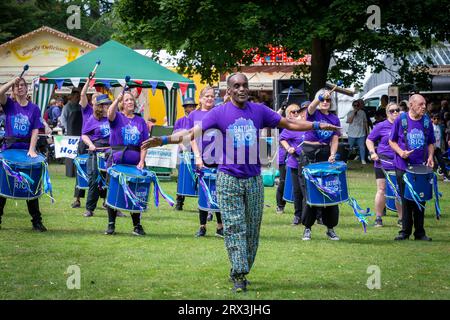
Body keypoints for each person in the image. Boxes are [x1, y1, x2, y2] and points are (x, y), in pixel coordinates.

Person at [141, 73, 339, 292]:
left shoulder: (260, 111)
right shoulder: (218, 113)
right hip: (228, 178)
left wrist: (318, 125)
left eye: (245, 85)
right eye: (237, 86)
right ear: (229, 90)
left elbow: (290, 123)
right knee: (234, 226)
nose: (242, 89)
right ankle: (238, 273)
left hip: (253, 179)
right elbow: (191, 133)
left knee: (252, 230)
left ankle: (241, 267)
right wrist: (164, 139)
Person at [0, 77, 46, 231]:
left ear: (27, 89)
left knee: (29, 186)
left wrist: (32, 149)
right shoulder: (9, 105)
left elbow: (35, 130)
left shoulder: (34, 109)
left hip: (26, 151)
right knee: (2, 186)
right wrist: (11, 81)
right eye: (17, 86)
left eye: (22, 85)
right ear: (13, 90)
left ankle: (37, 222)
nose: (19, 88)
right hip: (9, 150)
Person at [389, 94, 435, 241]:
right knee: (406, 199)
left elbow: (431, 142)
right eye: (420, 104)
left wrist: (430, 156)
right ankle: (405, 232)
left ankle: (420, 233)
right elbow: (392, 141)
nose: (424, 107)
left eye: (424, 104)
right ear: (411, 105)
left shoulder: (427, 121)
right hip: (403, 166)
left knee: (420, 200)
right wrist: (401, 152)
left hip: (421, 168)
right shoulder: (400, 120)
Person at [298, 88, 342, 242]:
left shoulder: (334, 119)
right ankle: (307, 228)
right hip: (309, 154)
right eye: (323, 100)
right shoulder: (313, 113)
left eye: (328, 100)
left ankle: (330, 228)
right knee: (309, 193)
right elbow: (311, 107)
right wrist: (319, 96)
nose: (325, 102)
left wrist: (332, 154)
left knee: (330, 190)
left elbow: (335, 139)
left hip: (325, 155)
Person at [105, 90, 149, 236]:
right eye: (126, 100)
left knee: (135, 194)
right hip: (117, 161)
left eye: (131, 100)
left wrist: (142, 161)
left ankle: (137, 226)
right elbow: (109, 114)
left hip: (135, 164)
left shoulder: (140, 121)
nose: (130, 102)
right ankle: (111, 225)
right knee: (114, 191)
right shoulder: (117, 117)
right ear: (122, 104)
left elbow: (144, 144)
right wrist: (116, 100)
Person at [188, 86, 224, 237]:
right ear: (200, 99)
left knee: (220, 192)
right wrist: (197, 156)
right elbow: (191, 137)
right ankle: (202, 226)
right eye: (207, 96)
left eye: (212, 96)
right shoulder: (193, 115)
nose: (210, 98)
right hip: (201, 159)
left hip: (220, 158)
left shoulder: (220, 113)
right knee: (204, 192)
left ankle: (220, 227)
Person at [366, 102, 403, 227]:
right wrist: (372, 153)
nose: (395, 112)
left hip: (399, 162)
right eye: (392, 110)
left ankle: (402, 219)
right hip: (382, 161)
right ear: (387, 113)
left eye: (397, 110)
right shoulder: (381, 126)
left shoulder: (403, 126)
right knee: (381, 189)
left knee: (399, 190)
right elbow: (369, 139)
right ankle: (378, 218)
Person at [81, 94, 111, 217]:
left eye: (109, 104)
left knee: (111, 181)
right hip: (95, 152)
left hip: (111, 152)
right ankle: (89, 209)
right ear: (99, 106)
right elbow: (84, 135)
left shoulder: (113, 118)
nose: (109, 106)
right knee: (94, 180)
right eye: (106, 104)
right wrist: (91, 144)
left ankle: (113, 207)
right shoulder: (92, 119)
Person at [279, 103, 307, 225]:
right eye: (294, 112)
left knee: (310, 191)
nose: (297, 113)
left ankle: (316, 216)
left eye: (298, 111)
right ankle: (298, 215)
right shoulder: (293, 126)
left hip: (311, 162)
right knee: (298, 191)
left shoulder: (311, 125)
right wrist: (289, 148)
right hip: (295, 162)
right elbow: (282, 139)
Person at [174, 97, 198, 211]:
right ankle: (179, 203)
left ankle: (203, 204)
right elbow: (176, 137)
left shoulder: (198, 120)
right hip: (183, 153)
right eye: (189, 106)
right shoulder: (180, 121)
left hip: (196, 153)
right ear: (185, 108)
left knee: (199, 177)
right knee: (182, 177)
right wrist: (183, 148)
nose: (192, 108)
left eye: (193, 106)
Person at [347, 99, 369, 164]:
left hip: (361, 133)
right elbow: (349, 121)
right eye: (355, 105)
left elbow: (365, 122)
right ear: (353, 106)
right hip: (351, 134)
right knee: (350, 148)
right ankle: (346, 159)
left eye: (357, 105)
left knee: (362, 147)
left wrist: (367, 132)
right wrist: (354, 113)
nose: (356, 106)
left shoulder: (363, 112)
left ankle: (363, 160)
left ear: (359, 106)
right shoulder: (350, 112)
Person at [431, 113, 450, 182]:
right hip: (431, 148)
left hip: (438, 148)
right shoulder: (430, 127)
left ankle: (446, 177)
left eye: (438, 119)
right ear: (432, 119)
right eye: (434, 118)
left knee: (442, 162)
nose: (436, 120)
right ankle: (430, 177)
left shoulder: (440, 127)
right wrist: (432, 145)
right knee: (432, 163)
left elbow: (442, 136)